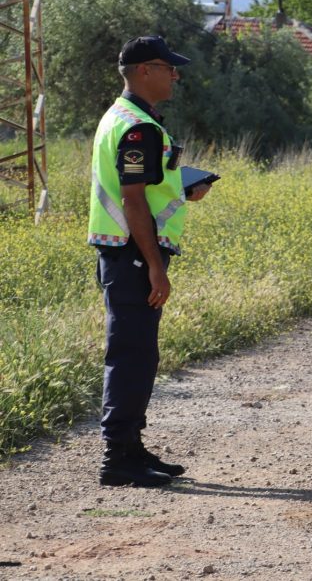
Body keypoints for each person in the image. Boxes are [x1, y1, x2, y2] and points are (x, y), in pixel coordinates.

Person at [88, 35, 212, 487]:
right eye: (167, 66)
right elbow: (133, 200)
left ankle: (132, 449)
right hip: (133, 254)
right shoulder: (138, 126)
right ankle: (117, 458)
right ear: (143, 70)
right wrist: (156, 267)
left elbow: (147, 190)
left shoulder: (127, 118)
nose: (175, 74)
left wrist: (185, 189)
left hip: (127, 251)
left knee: (140, 353)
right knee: (131, 354)